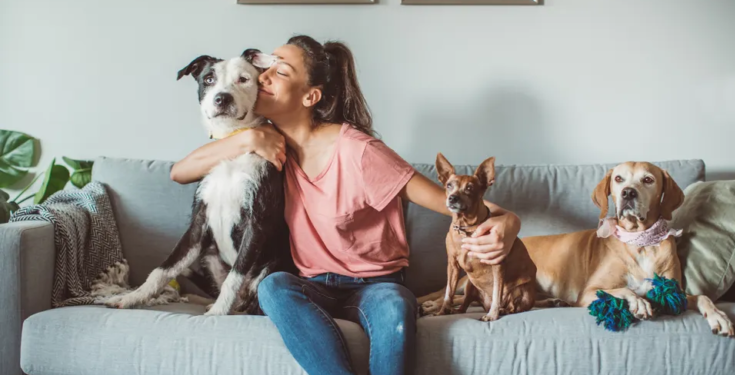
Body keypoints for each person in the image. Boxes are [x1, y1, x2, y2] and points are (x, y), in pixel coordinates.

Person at [169, 35, 521, 375]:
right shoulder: (266, 144)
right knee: (273, 287)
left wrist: (511, 222)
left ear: (310, 97)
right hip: (312, 284)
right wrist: (246, 137)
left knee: (397, 308)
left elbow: (454, 204)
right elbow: (180, 172)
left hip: (376, 285)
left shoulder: (359, 151)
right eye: (267, 68)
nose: (264, 76)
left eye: (280, 70)